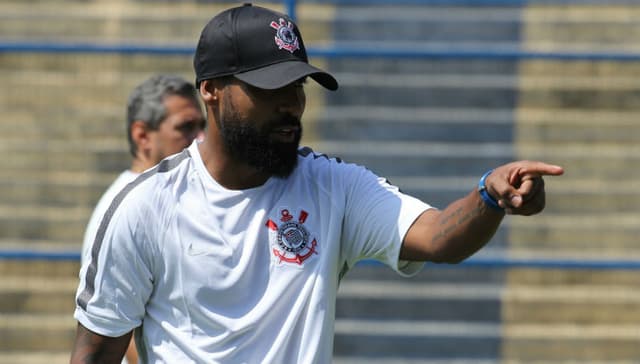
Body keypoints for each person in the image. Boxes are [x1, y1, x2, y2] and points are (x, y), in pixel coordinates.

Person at [70, 4, 564, 363]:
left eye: (298, 86)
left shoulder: (334, 187)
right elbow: (96, 353)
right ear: (212, 90)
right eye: (270, 88)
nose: (291, 104)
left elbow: (437, 237)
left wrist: (489, 197)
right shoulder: (144, 207)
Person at [79, 74, 206, 363]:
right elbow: (119, 329)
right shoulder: (124, 209)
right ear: (142, 136)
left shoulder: (167, 196)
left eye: (202, 126)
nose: (201, 138)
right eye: (186, 128)